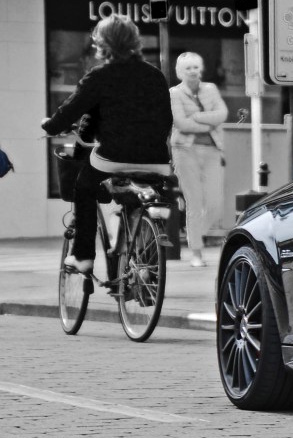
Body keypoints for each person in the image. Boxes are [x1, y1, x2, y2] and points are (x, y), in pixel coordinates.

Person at [41, 16, 172, 274]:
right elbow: (167, 119)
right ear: (134, 41)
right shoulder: (155, 75)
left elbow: (70, 111)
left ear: (103, 44)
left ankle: (82, 256)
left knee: (85, 187)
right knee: (140, 193)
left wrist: (49, 125)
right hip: (157, 159)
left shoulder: (100, 75)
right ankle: (144, 267)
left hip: (113, 157)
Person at [169, 52, 228, 268]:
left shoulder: (210, 89)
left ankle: (194, 234)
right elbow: (181, 124)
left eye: (196, 67)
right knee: (194, 203)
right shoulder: (174, 93)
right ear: (179, 72)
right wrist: (208, 122)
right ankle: (196, 253)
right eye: (188, 68)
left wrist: (197, 117)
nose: (193, 71)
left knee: (215, 203)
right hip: (185, 151)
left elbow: (222, 114)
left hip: (212, 150)